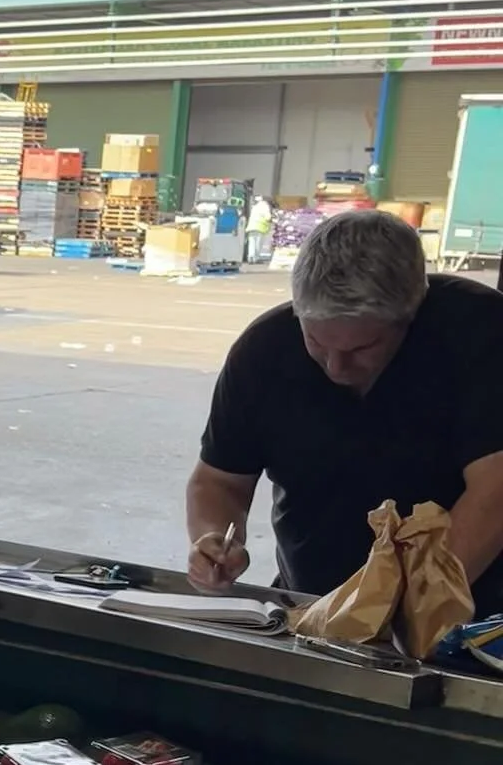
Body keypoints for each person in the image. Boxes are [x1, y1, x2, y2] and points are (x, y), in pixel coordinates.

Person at [186, 210, 503, 614]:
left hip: (474, 613)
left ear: (410, 317)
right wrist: (214, 539)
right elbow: (219, 479)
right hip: (315, 602)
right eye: (316, 342)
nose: (336, 367)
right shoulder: (264, 351)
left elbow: (496, 488)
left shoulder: (480, 334)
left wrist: (411, 606)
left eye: (361, 349)